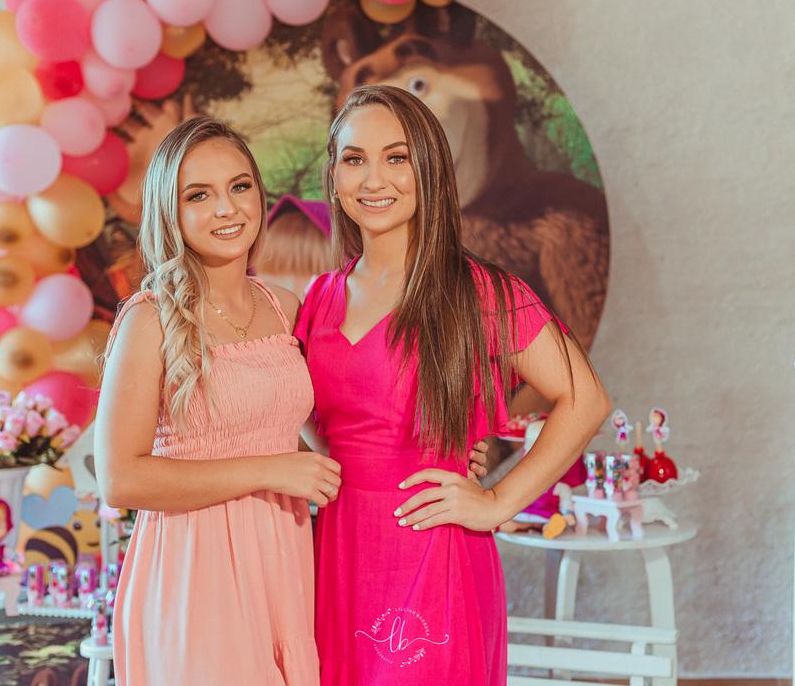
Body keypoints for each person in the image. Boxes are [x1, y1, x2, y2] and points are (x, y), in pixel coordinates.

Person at [295, 84, 611, 685]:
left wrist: (496, 502)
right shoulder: (319, 298)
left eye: (396, 157)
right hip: (337, 551)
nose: (373, 178)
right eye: (354, 159)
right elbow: (307, 411)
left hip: (433, 548)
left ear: (430, 169)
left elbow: (585, 399)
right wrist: (338, 466)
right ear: (334, 177)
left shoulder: (479, 291)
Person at [94, 116, 342, 686]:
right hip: (195, 577)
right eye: (198, 195)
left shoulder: (285, 306)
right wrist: (272, 469)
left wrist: (442, 453)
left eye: (239, 186)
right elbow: (120, 480)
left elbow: (328, 437)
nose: (227, 209)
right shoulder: (149, 320)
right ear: (170, 212)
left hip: (283, 568)